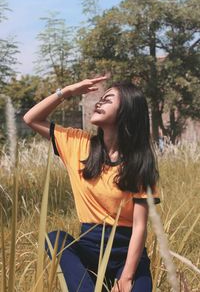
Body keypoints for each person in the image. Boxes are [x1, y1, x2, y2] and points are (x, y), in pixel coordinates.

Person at [23, 76, 160, 292]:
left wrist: (126, 277)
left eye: (108, 99)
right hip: (88, 249)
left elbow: (140, 226)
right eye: (100, 99)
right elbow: (31, 118)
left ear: (127, 110)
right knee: (54, 238)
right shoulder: (78, 144)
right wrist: (67, 91)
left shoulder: (140, 162)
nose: (99, 102)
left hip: (127, 255)